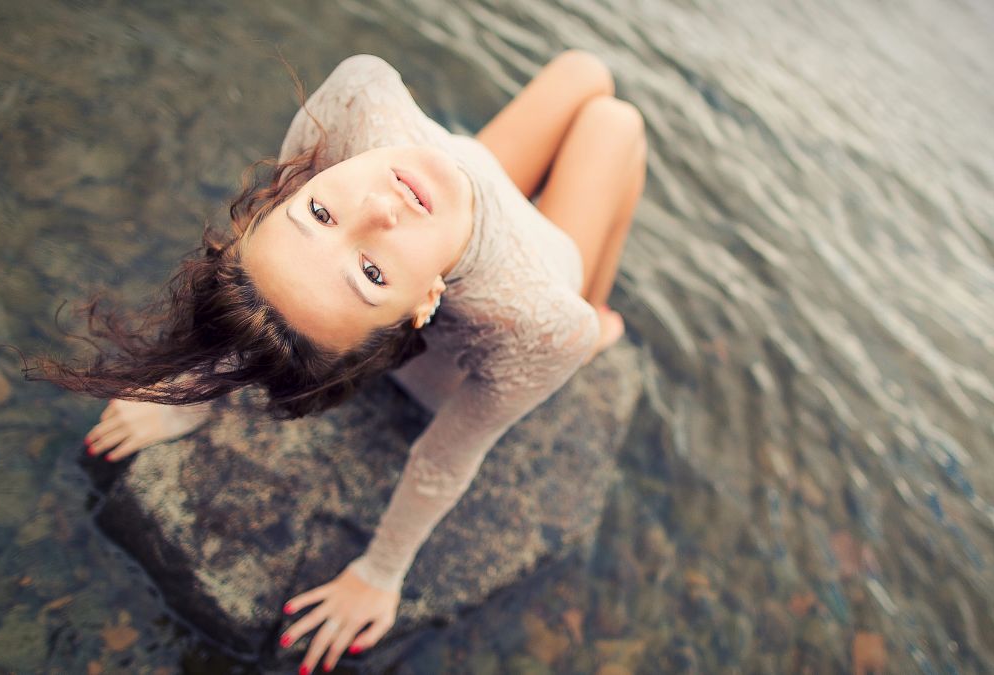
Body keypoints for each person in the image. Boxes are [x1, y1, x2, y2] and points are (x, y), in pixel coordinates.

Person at [33, 50, 645, 673]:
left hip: (464, 201)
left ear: (292, 192)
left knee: (583, 71)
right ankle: (599, 315)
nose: (380, 209)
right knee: (615, 125)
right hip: (518, 281)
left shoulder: (361, 102)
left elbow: (267, 289)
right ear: (427, 301)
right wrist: (380, 573)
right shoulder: (536, 318)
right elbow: (446, 455)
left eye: (319, 214)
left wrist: (191, 384)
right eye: (371, 272)